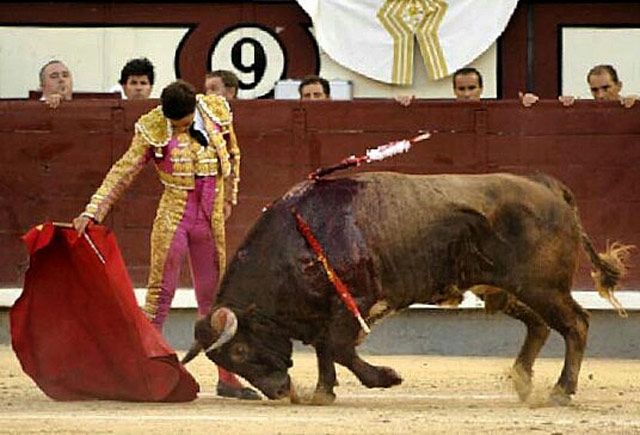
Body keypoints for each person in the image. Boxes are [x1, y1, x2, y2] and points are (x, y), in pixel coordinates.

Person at [72, 80, 259, 400]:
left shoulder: (215, 111)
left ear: (194, 111)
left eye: (184, 125)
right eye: (174, 126)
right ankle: (144, 372)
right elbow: (124, 170)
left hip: (210, 220)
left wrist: (230, 197)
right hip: (175, 216)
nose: (179, 130)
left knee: (215, 299)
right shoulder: (153, 126)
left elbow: (233, 154)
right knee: (160, 295)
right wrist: (93, 211)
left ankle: (228, 377)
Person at [521, 64, 637, 108]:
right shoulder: (583, 109)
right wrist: (534, 105)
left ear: (619, 86)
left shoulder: (633, 107)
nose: (600, 95)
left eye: (606, 88)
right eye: (594, 90)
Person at [394, 67, 483, 106]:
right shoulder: (443, 112)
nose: (467, 94)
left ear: (481, 89)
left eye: (471, 88)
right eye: (461, 89)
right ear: (454, 90)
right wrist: (408, 104)